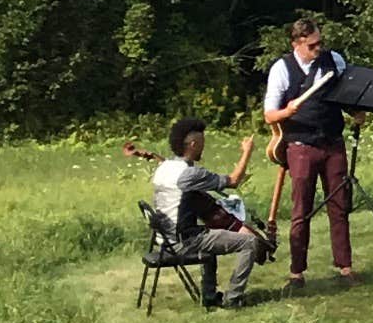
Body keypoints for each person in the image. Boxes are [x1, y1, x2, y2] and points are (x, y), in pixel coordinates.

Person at [262, 16, 356, 289]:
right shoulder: (282, 69)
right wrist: (286, 111)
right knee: (301, 210)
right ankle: (296, 273)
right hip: (301, 146)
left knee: (339, 206)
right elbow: (270, 115)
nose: (318, 50)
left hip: (333, 142)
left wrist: (356, 111)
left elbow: (345, 95)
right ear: (297, 44)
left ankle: (345, 267)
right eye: (312, 46)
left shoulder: (334, 61)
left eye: (320, 44)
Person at [136, 119, 262, 306]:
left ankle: (209, 296)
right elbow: (234, 180)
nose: (204, 148)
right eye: (203, 143)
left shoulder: (164, 167)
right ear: (193, 145)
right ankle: (233, 298)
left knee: (207, 235)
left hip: (164, 241)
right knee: (250, 242)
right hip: (182, 242)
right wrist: (247, 151)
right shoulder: (191, 174)